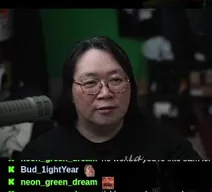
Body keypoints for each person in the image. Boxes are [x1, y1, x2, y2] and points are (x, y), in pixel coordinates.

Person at [21, 37, 202, 161]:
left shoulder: (168, 145)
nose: (105, 93)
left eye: (115, 80)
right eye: (90, 83)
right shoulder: (40, 155)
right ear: (70, 93)